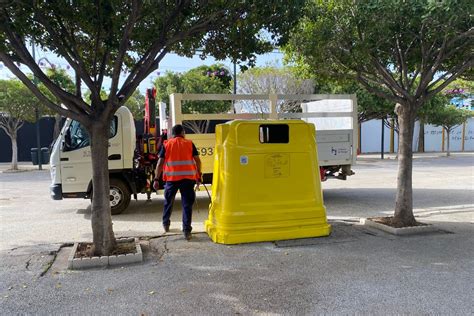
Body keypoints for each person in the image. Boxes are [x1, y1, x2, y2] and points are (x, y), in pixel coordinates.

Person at [153, 124, 202, 240]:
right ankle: (186, 231)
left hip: (171, 180)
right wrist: (198, 176)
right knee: (187, 205)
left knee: (168, 203)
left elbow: (160, 163)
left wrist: (156, 179)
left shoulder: (167, 144)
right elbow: (198, 161)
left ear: (173, 134)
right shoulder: (189, 143)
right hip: (188, 179)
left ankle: (166, 224)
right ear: (183, 132)